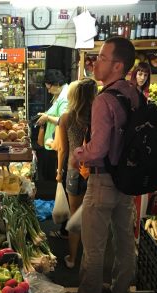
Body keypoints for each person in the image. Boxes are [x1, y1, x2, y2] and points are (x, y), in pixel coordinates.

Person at [71, 36, 140, 293]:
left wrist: (79, 154)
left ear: (117, 66)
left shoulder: (104, 100)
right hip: (127, 180)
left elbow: (98, 148)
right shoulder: (134, 93)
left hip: (102, 181)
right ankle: (122, 292)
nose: (95, 62)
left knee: (94, 244)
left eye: (101, 58)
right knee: (124, 240)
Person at [50, 79, 98, 269]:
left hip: (74, 171)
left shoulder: (67, 117)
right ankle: (91, 259)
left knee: (75, 216)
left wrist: (59, 172)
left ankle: (72, 258)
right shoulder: (97, 117)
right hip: (95, 172)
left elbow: (62, 149)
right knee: (92, 217)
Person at [36, 69, 69, 238]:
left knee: (60, 180)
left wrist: (47, 118)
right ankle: (65, 225)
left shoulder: (65, 97)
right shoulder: (60, 94)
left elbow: (63, 120)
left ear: (56, 84)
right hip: (56, 145)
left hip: (60, 146)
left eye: (49, 87)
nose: (48, 90)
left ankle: (65, 227)